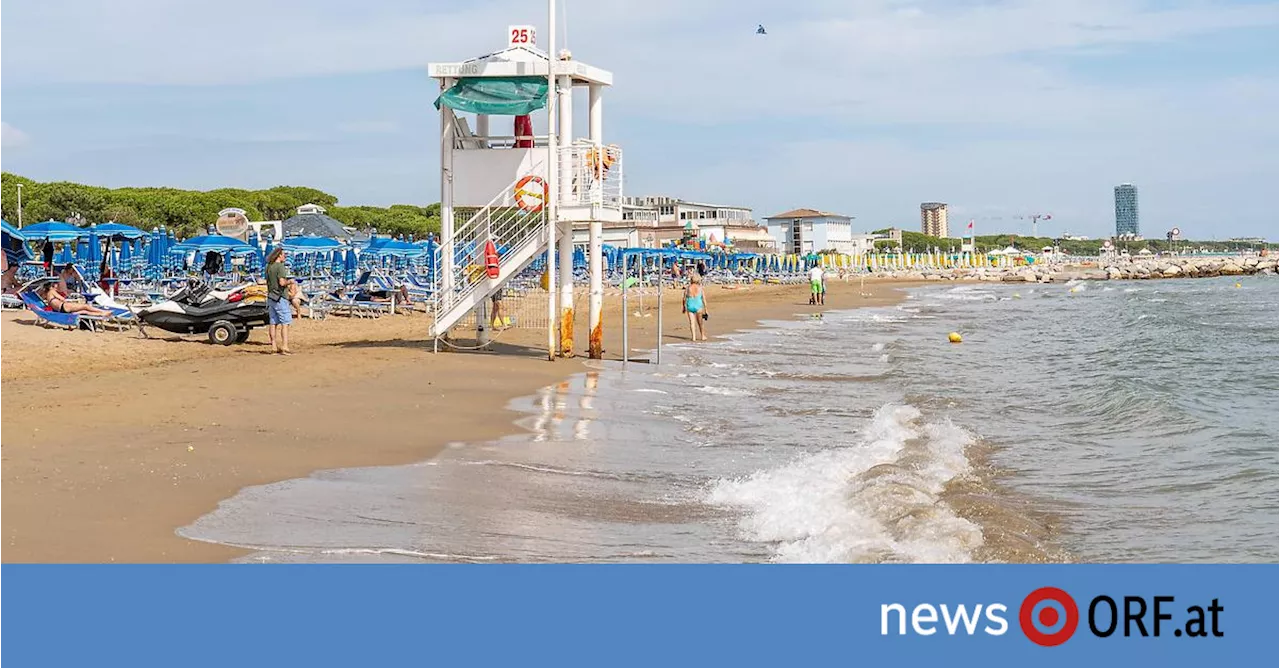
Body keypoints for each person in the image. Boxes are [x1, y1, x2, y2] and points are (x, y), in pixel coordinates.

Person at [264, 247, 294, 355]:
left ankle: (273, 346)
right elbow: (282, 282)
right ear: (279, 255)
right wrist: (290, 281)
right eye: (283, 254)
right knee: (285, 323)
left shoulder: (268, 267)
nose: (285, 256)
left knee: (273, 322)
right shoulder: (280, 267)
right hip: (280, 297)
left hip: (271, 296)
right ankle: (285, 346)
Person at [39, 281, 112, 317]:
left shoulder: (47, 295)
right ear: (51, 287)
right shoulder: (52, 291)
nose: (56, 286)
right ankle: (103, 311)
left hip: (62, 309)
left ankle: (102, 314)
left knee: (84, 311)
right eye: (54, 285)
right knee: (85, 306)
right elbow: (62, 299)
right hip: (64, 306)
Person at [683, 273, 709, 342]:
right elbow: (704, 299)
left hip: (690, 305)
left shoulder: (688, 288)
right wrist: (706, 310)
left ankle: (693, 337)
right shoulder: (700, 288)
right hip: (698, 305)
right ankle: (702, 335)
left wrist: (683, 307)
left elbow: (684, 298)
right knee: (700, 322)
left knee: (692, 322)